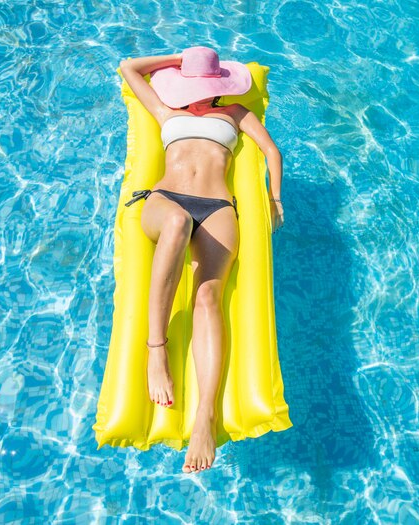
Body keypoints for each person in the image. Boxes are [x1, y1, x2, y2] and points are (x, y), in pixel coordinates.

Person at [119, 46, 284, 474]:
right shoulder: (163, 107)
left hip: (217, 207)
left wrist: (274, 197)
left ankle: (205, 418)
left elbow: (271, 151)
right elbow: (128, 68)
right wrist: (179, 60)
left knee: (208, 297)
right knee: (174, 224)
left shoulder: (235, 113)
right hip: (166, 200)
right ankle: (158, 349)